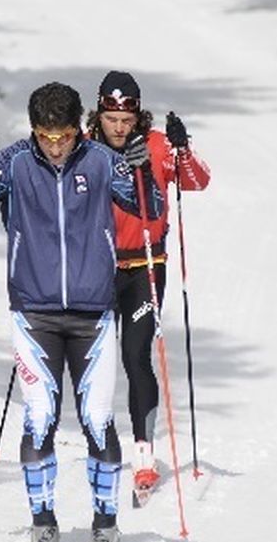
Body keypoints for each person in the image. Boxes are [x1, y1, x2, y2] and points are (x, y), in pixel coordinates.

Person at [0, 81, 161, 542]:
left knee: (96, 420)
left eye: (65, 135)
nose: (57, 146)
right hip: (34, 314)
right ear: (33, 131)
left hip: (93, 314)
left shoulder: (101, 162)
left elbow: (147, 211)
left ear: (77, 129)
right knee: (40, 420)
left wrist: (142, 166)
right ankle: (42, 522)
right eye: (47, 136)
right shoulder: (15, 161)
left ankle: (105, 525)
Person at [86, 70, 211, 500]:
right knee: (94, 361)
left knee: (136, 356)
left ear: (138, 114)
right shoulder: (85, 149)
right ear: (99, 113)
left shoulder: (156, 145)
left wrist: (182, 147)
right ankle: (100, 445)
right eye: (111, 117)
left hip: (146, 268)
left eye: (127, 117)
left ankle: (143, 455)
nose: (119, 127)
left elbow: (197, 181)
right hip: (96, 269)